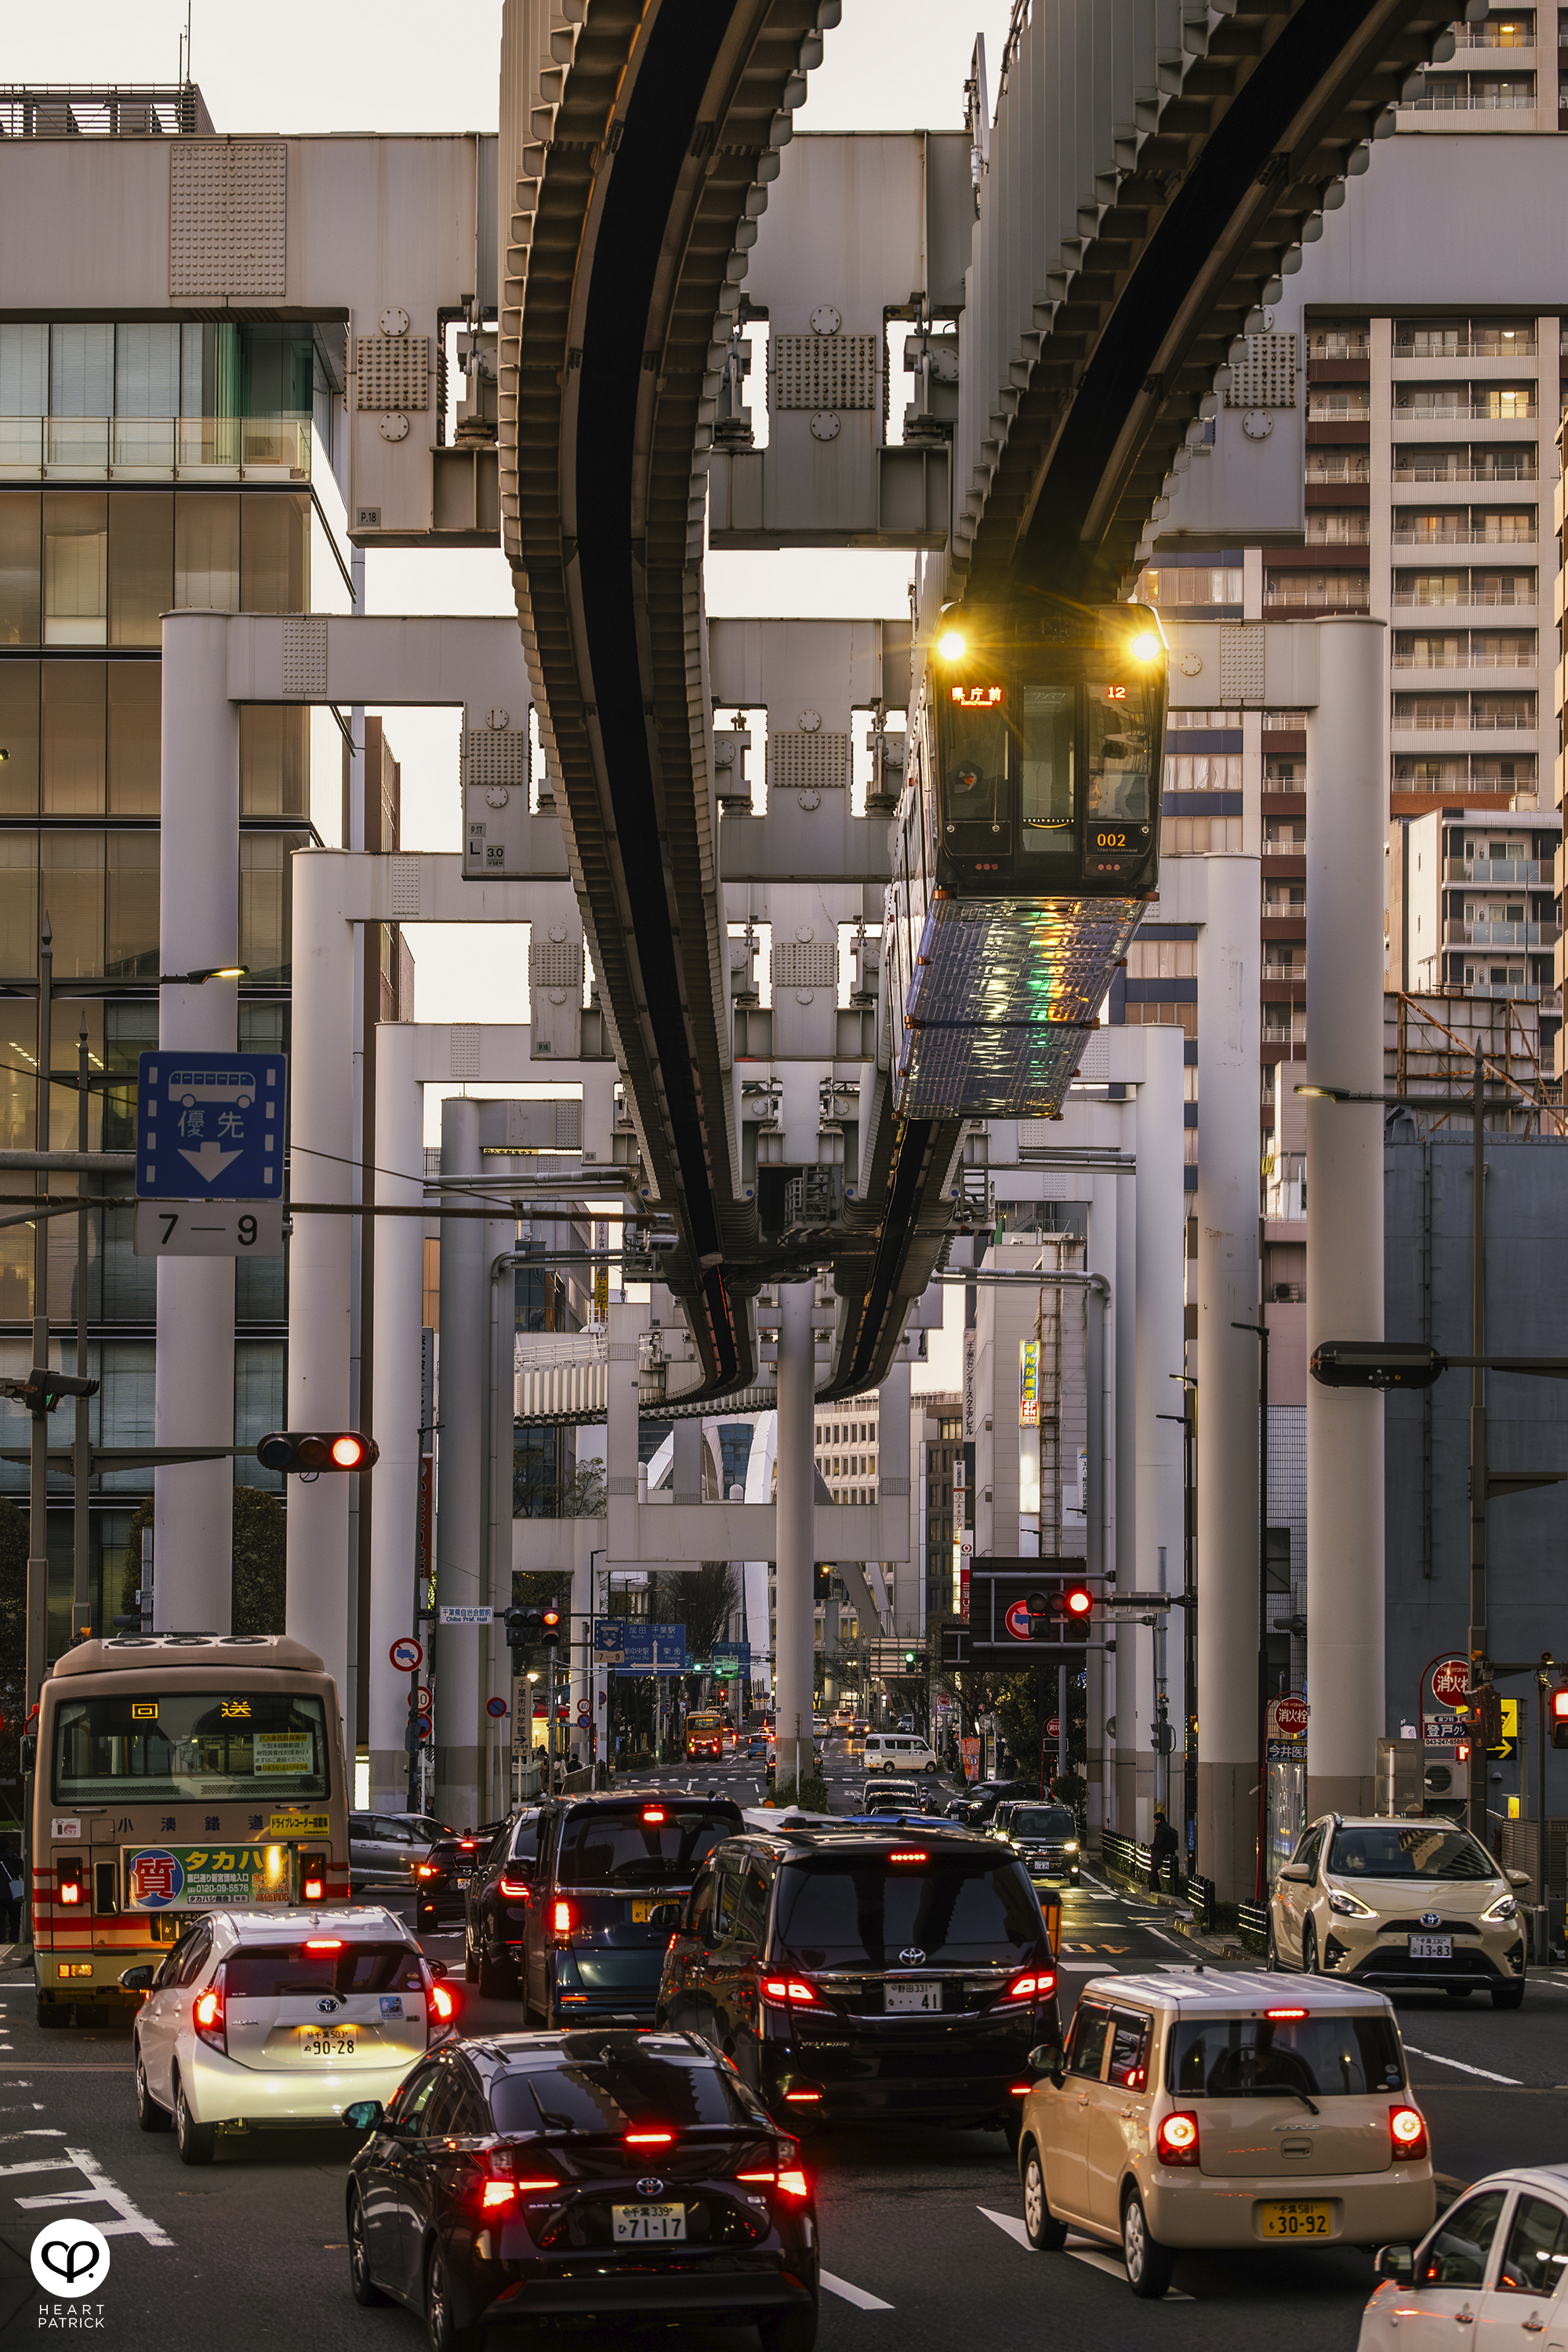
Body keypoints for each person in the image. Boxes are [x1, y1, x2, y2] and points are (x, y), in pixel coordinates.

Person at [1149, 1807, 1179, 1894]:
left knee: (1154, 1870)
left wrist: (1151, 1846)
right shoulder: (1168, 1828)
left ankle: (1157, 1888)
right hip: (1170, 1853)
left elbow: (1159, 1843)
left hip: (1161, 1854)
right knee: (1170, 1872)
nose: (1154, 1823)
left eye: (1155, 1821)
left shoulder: (1160, 1829)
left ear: (1158, 1821)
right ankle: (1171, 1889)